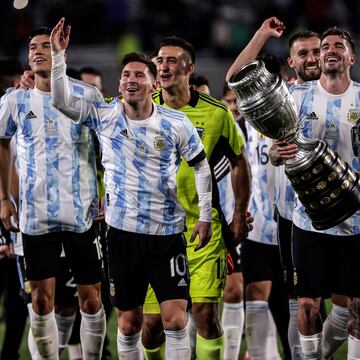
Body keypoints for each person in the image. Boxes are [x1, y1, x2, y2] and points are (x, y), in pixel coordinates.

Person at [50, 17, 213, 360]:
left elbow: (200, 165)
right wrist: (58, 56)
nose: (130, 79)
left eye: (139, 74)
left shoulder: (175, 123)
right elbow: (62, 101)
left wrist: (205, 216)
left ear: (153, 84)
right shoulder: (104, 114)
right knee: (128, 324)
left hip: (167, 235)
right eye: (126, 75)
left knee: (175, 318)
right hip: (122, 235)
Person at [142, 36, 251, 360]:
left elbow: (239, 162)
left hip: (204, 228)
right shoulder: (142, 104)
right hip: (154, 229)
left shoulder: (217, 114)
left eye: (172, 60)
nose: (163, 66)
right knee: (151, 326)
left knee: (204, 315)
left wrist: (238, 213)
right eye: (159, 60)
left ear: (189, 68)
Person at [0, 26, 106, 360]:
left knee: (90, 299)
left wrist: (110, 194)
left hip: (82, 216)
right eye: (33, 46)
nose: (38, 51)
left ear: (61, 50)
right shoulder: (15, 99)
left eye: (46, 45)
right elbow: (2, 142)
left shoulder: (86, 96)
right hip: (36, 216)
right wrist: (4, 197)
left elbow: (110, 147)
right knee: (40, 300)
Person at [263, 25, 360, 359]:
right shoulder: (297, 97)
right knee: (306, 305)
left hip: (355, 221)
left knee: (355, 311)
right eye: (324, 46)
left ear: (351, 57)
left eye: (338, 45)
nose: (329, 50)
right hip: (308, 221)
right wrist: (278, 153)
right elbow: (274, 153)